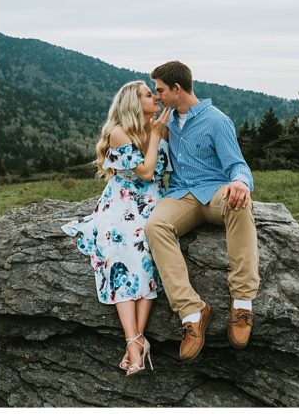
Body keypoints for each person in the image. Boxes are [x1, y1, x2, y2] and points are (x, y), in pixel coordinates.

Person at [143, 60, 259, 362]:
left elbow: (237, 164)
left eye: (160, 90)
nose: (157, 97)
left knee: (240, 204)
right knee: (155, 226)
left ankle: (243, 303)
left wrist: (239, 183)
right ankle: (192, 312)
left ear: (177, 89)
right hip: (181, 194)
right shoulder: (167, 121)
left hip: (214, 192)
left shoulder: (217, 121)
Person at [62, 80, 173, 376]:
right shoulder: (119, 132)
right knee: (121, 254)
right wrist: (155, 134)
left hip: (152, 202)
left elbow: (163, 174)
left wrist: (157, 131)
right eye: (149, 95)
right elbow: (147, 171)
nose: (155, 98)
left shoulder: (157, 126)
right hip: (121, 202)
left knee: (147, 257)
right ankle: (134, 341)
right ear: (133, 103)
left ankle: (135, 343)